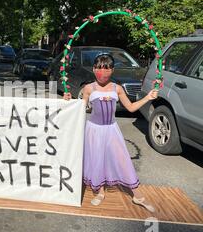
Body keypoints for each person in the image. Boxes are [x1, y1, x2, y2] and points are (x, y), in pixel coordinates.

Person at [64, 53, 158, 212]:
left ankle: (137, 194)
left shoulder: (117, 88)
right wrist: (68, 100)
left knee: (122, 158)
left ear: (112, 70)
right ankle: (100, 191)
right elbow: (79, 109)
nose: (103, 72)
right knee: (97, 159)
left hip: (112, 129)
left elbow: (131, 107)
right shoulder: (89, 88)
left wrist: (148, 97)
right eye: (99, 68)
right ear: (94, 69)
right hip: (94, 130)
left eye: (106, 69)